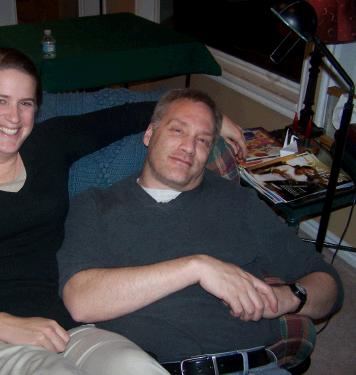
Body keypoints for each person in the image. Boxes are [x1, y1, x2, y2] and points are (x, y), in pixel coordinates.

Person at [0, 48, 246, 375]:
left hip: (63, 327)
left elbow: (122, 113)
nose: (14, 118)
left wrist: (212, 118)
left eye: (26, 103)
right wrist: (4, 324)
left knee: (137, 367)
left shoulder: (47, 146)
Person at [58, 88, 344, 375]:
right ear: (149, 135)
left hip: (256, 365)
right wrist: (197, 267)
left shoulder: (239, 202)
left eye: (203, 140)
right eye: (178, 131)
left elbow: (329, 284)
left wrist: (287, 298)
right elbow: (80, 301)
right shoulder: (96, 204)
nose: (188, 147)